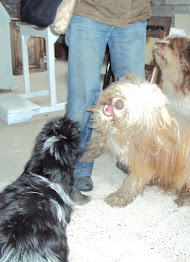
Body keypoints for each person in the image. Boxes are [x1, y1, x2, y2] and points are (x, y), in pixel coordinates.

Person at [65, 0, 151, 193]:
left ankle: (128, 157)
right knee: (82, 95)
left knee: (134, 95)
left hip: (133, 14)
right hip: (89, 11)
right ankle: (78, 166)